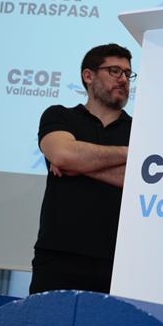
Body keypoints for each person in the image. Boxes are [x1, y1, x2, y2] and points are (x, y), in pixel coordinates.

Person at [29, 44, 134, 295]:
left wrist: (79, 165)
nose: (123, 79)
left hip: (120, 260)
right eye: (115, 71)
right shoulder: (59, 116)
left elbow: (139, 179)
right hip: (58, 256)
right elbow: (62, 154)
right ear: (89, 76)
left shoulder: (141, 128)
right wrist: (129, 153)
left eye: (128, 74)